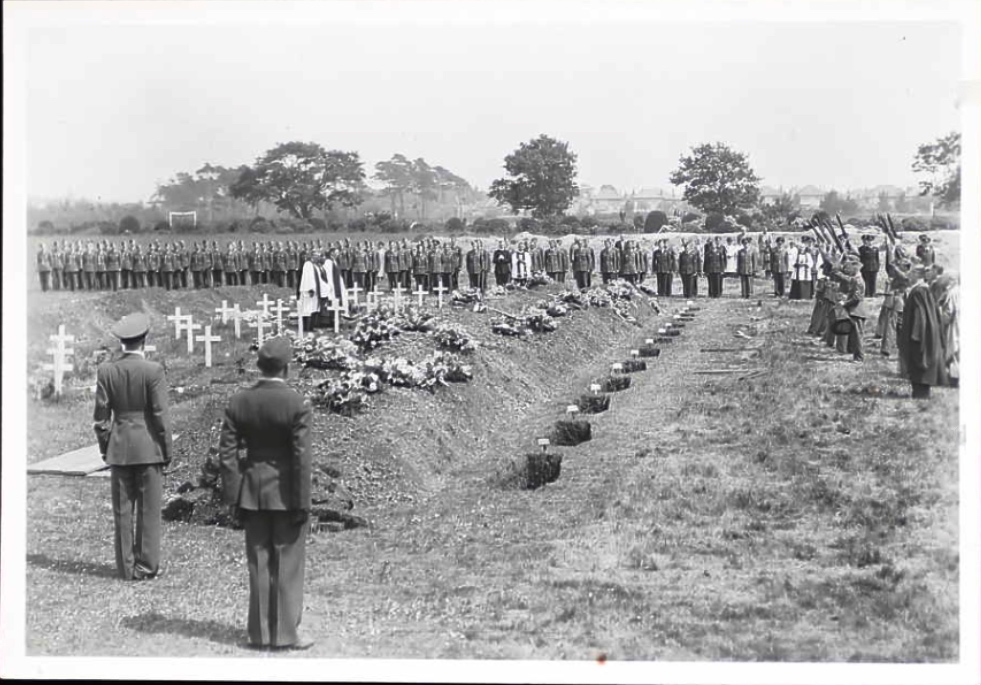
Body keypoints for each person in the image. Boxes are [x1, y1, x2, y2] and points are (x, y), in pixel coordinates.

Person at [218, 337, 314, 651]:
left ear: (259, 366)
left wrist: (233, 496)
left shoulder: (239, 401)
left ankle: (260, 634)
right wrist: (302, 501)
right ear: (287, 368)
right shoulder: (297, 404)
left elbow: (227, 454)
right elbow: (301, 458)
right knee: (287, 562)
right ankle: (285, 633)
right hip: (286, 493)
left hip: (252, 491)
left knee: (259, 561)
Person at [93, 312, 172, 580]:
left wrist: (106, 448)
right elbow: (160, 415)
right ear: (144, 340)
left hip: (119, 447)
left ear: (121, 342)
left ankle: (126, 568)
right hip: (149, 447)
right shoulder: (153, 370)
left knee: (122, 511)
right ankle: (146, 566)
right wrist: (167, 450)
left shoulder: (106, 371)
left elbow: (101, 419)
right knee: (149, 510)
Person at [899, 265, 944, 398]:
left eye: (911, 273)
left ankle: (920, 394)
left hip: (920, 334)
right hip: (927, 332)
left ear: (917, 275)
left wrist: (916, 335)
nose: (908, 276)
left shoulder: (919, 291)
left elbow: (920, 314)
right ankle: (921, 393)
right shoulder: (924, 289)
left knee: (918, 360)